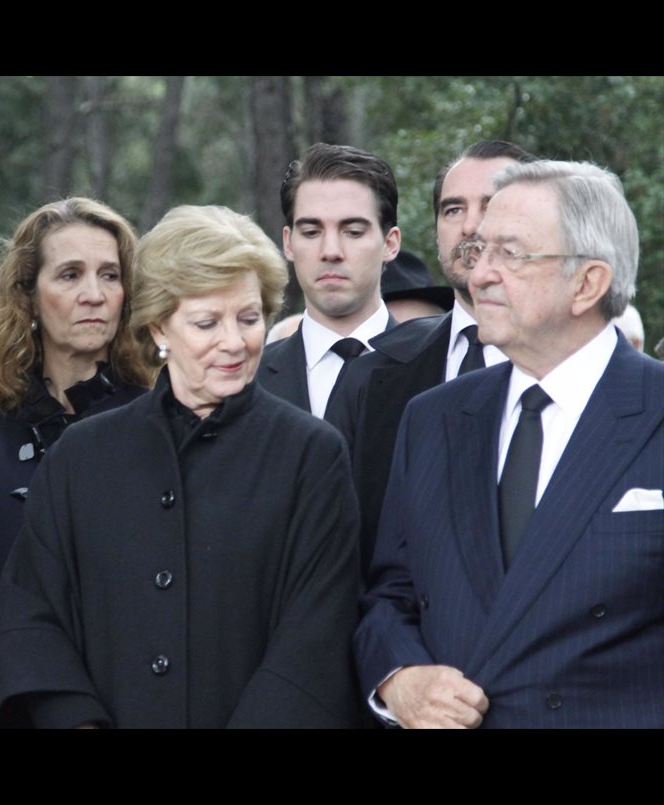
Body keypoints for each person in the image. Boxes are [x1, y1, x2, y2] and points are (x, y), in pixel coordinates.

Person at [0, 205, 362, 729]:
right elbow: (33, 614)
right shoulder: (82, 455)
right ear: (160, 325)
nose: (234, 342)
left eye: (250, 318)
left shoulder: (312, 455)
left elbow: (317, 636)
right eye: (207, 322)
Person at [355, 160, 664, 728]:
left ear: (587, 283)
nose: (479, 276)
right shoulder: (433, 418)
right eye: (478, 253)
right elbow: (390, 594)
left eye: (510, 254)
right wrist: (399, 678)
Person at [0, 198, 149, 728]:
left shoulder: (158, 418)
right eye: (70, 275)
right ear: (28, 294)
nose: (94, 294)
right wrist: (26, 702)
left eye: (110, 275)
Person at [331, 141, 536, 573]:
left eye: (492, 205)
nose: (470, 226)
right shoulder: (370, 377)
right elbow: (342, 555)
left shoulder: (584, 369)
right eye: (453, 210)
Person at [258, 143, 401, 427]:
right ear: (288, 243)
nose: (331, 250)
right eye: (311, 232)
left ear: (390, 243)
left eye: (353, 232)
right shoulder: (248, 380)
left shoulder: (437, 368)